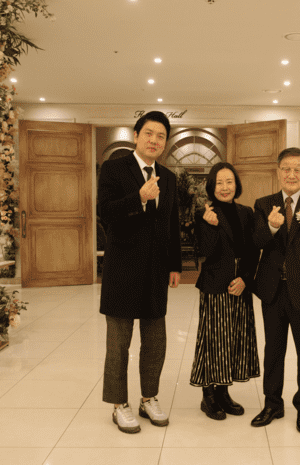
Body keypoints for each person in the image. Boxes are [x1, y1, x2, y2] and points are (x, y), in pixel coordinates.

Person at [98, 111, 181, 434]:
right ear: (136, 135)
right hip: (122, 269)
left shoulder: (168, 177)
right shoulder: (114, 169)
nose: (154, 140)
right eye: (149, 133)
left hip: (156, 271)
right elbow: (105, 212)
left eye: (161, 136)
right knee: (119, 343)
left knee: (155, 341)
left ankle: (149, 398)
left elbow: (171, 224)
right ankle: (119, 404)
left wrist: (175, 265)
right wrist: (139, 198)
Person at [250, 147, 300, 434]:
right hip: (272, 291)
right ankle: (272, 403)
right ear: (278, 172)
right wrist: (271, 228)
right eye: (286, 168)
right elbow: (256, 243)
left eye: (297, 169)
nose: (291, 174)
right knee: (273, 350)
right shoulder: (263, 204)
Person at [190, 163, 260, 420]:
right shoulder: (205, 213)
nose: (225, 187)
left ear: (236, 185)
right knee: (214, 341)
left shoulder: (246, 212)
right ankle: (208, 396)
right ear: (212, 186)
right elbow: (205, 252)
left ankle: (223, 392)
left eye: (229, 182)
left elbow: (253, 250)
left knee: (233, 341)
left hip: (240, 286)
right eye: (219, 182)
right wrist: (209, 225)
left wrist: (245, 279)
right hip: (215, 286)